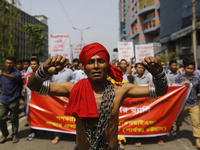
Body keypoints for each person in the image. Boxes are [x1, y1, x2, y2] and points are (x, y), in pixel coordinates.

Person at [27, 42, 168, 150]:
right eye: (90, 62)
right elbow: (34, 86)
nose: (95, 66)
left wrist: (159, 75)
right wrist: (44, 70)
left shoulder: (121, 89)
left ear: (107, 65)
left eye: (100, 61)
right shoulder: (73, 88)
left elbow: (160, 91)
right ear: (84, 67)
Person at [174, 61, 200, 149]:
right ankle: (177, 129)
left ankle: (197, 141)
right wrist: (181, 84)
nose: (189, 70)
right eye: (188, 68)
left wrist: (198, 104)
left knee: (196, 123)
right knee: (179, 120)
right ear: (184, 68)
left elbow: (199, 93)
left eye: (191, 68)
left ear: (194, 69)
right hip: (182, 104)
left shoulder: (197, 79)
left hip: (194, 104)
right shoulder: (179, 78)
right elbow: (174, 89)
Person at [0, 56, 22, 143]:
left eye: (11, 63)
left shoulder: (17, 73)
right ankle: (5, 133)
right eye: (7, 62)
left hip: (14, 99)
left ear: (14, 64)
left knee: (14, 118)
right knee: (1, 118)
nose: (9, 64)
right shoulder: (2, 73)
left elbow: (13, 78)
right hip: (3, 99)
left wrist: (3, 74)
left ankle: (15, 134)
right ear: (5, 63)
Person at [50, 66, 73, 144]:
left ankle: (72, 131)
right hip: (55, 99)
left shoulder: (69, 71)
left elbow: (74, 81)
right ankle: (57, 135)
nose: (58, 65)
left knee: (69, 115)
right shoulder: (52, 71)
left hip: (67, 98)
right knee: (56, 115)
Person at [24, 58, 40, 141]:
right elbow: (26, 89)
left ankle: (42, 128)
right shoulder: (27, 76)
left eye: (34, 64)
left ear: (37, 65)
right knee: (30, 115)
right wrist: (25, 100)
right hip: (30, 100)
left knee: (40, 115)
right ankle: (33, 130)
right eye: (31, 64)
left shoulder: (42, 75)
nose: (33, 65)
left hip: (40, 100)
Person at [22, 59, 30, 126]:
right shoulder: (27, 75)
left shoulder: (38, 74)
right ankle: (26, 118)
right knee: (27, 107)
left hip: (36, 95)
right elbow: (25, 86)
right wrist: (25, 99)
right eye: (24, 64)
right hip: (27, 94)